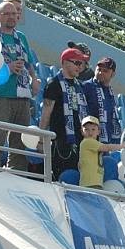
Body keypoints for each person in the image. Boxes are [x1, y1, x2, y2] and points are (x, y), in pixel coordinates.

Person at [0, 1, 41, 171]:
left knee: (20, 142)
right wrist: (7, 68)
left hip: (21, 95)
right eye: (6, 14)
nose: (11, 17)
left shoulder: (21, 37)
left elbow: (29, 63)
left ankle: (17, 176)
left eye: (14, 14)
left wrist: (34, 79)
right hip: (0, 94)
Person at [40, 47, 89, 180]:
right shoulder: (54, 84)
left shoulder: (79, 86)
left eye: (82, 63)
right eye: (77, 63)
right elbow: (46, 114)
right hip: (60, 142)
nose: (80, 67)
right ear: (65, 62)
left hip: (79, 143)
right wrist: (40, 139)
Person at [78, 116, 125, 189]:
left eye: (93, 129)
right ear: (82, 131)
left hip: (95, 182)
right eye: (86, 129)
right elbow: (106, 147)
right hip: (89, 183)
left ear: (98, 131)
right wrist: (122, 146)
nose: (90, 132)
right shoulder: (87, 142)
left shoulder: (94, 144)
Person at [82, 57, 121, 144]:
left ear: (113, 74)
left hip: (106, 142)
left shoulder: (110, 93)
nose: (100, 73)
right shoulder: (86, 86)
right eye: (99, 69)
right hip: (89, 140)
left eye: (105, 71)